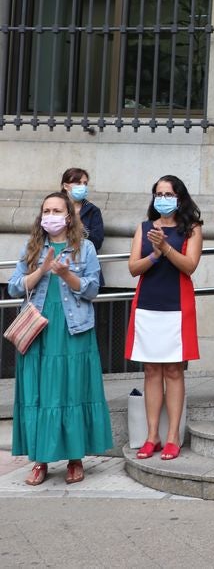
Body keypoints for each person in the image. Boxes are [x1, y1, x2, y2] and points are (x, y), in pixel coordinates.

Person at [8, 193, 111, 486]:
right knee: (39, 393)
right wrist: (41, 270)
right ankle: (40, 460)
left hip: (73, 329)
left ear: (69, 217)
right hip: (38, 330)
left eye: (56, 210)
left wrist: (66, 275)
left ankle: (75, 459)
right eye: (46, 210)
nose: (50, 215)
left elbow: (92, 290)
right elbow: (15, 288)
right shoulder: (32, 247)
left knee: (72, 391)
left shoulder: (85, 248)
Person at [126, 176, 204, 460]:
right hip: (148, 303)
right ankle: (151, 436)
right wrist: (155, 255)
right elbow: (134, 268)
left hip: (176, 304)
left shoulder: (192, 229)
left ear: (179, 197)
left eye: (168, 193)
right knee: (150, 371)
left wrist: (167, 248)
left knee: (173, 370)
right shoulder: (144, 228)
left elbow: (190, 266)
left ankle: (172, 437)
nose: (162, 198)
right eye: (158, 193)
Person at [61, 167, 104, 253]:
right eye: (78, 183)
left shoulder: (92, 210)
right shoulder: (54, 207)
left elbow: (97, 243)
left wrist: (81, 228)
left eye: (85, 183)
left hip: (82, 259)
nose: (82, 186)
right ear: (66, 186)